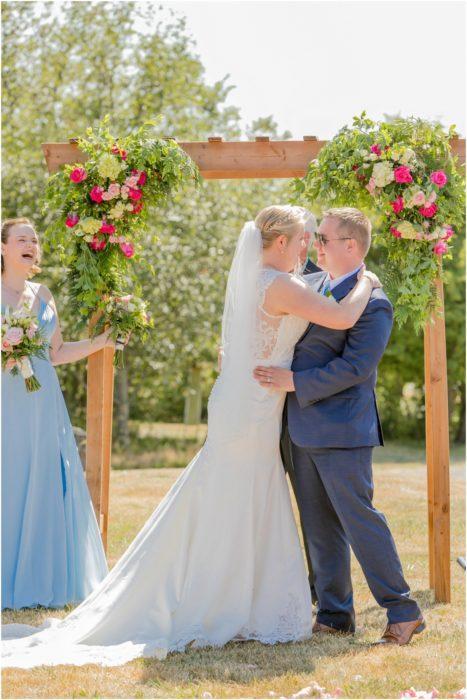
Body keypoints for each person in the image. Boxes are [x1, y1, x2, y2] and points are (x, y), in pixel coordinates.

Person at [2, 205, 380, 668]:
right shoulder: (278, 284)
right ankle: (223, 602)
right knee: (236, 496)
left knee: (240, 496)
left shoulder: (263, 279)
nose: (308, 247)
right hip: (251, 408)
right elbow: (341, 318)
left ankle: (244, 600)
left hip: (251, 403)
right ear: (280, 243)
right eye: (303, 238)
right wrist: (366, 280)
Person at [254, 207, 425, 646]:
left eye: (324, 239)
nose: (315, 246)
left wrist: (297, 381)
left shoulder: (376, 302)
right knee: (317, 524)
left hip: (343, 430)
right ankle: (334, 614)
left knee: (359, 520)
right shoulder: (313, 283)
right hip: (299, 428)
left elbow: (356, 367)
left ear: (351, 246)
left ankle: (403, 611)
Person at [1, 217, 111, 610]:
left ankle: (42, 574)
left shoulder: (44, 294)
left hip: (43, 400)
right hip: (6, 401)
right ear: (3, 248)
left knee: (45, 475)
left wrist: (102, 342)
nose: (30, 244)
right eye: (21, 239)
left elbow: (57, 353)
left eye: (33, 240)